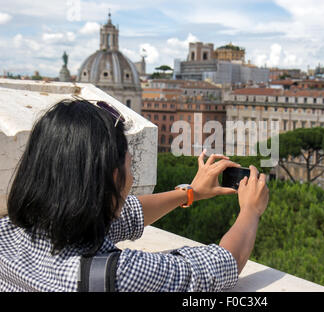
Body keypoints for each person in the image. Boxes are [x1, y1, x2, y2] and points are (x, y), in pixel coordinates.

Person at [0, 99, 269, 292]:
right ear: (116, 178)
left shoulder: (7, 231)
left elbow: (124, 214)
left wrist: (189, 193)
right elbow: (219, 267)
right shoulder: (117, 276)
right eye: (131, 166)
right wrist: (250, 211)